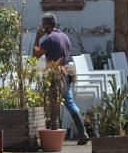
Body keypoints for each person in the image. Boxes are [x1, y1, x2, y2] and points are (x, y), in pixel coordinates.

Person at [33, 12, 90, 145]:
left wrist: (37, 38)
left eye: (43, 25)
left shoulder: (48, 39)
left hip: (56, 76)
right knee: (69, 102)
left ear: (46, 26)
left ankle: (56, 138)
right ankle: (82, 133)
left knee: (56, 106)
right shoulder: (64, 36)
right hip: (67, 73)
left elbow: (36, 54)